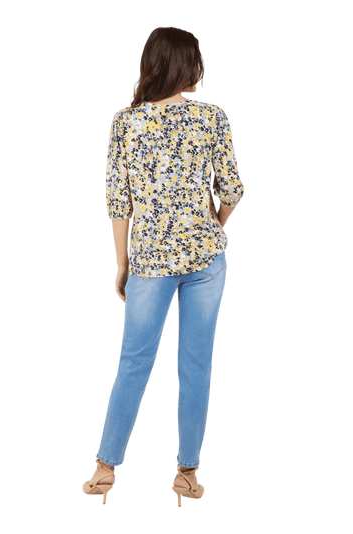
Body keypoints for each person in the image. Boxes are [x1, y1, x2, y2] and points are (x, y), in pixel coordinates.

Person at [81, 25, 245, 508]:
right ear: (190, 66)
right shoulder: (212, 117)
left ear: (150, 65)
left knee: (133, 361)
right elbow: (232, 189)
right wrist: (213, 224)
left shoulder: (125, 122)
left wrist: (121, 263)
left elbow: (118, 202)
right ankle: (187, 476)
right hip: (206, 259)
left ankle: (105, 471)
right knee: (196, 364)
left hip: (149, 262)